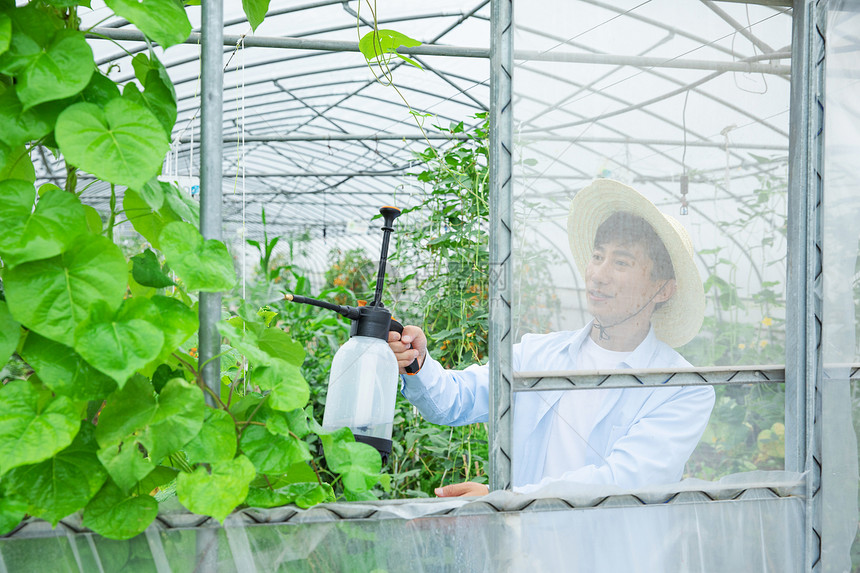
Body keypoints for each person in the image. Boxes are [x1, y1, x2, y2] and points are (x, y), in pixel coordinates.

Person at [388, 179, 715, 496]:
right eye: (598, 256)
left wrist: (505, 496)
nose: (598, 275)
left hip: (613, 552)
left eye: (621, 262)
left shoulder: (682, 388)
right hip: (528, 550)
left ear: (662, 289)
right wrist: (417, 362)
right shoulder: (538, 355)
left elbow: (622, 482)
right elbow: (453, 401)